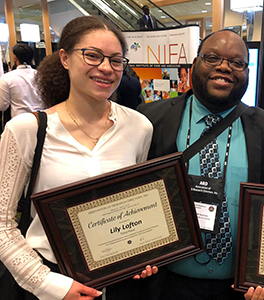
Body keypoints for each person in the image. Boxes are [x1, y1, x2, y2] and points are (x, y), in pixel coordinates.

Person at [0, 16, 157, 300]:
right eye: (93, 56)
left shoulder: (139, 127)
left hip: (121, 281)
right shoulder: (27, 130)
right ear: (65, 58)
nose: (106, 68)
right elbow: (2, 222)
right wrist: (48, 285)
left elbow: (138, 203)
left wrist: (145, 253)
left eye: (116, 60)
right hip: (51, 279)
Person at [137, 29, 264, 300]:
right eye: (212, 58)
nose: (224, 67)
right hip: (168, 284)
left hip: (239, 289)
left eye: (237, 62)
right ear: (195, 63)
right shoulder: (152, 118)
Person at [0, 43, 44, 119]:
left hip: (19, 120)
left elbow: (2, 106)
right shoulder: (41, 75)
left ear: (15, 58)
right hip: (42, 119)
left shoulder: (7, 78)